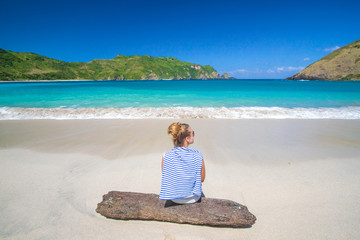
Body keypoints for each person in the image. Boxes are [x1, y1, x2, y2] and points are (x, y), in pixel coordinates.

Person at [159, 122, 205, 206]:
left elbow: (169, 177)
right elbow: (201, 179)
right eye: (193, 133)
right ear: (187, 138)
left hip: (174, 199)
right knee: (201, 193)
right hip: (193, 198)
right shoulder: (197, 154)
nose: (194, 135)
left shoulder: (165, 156)